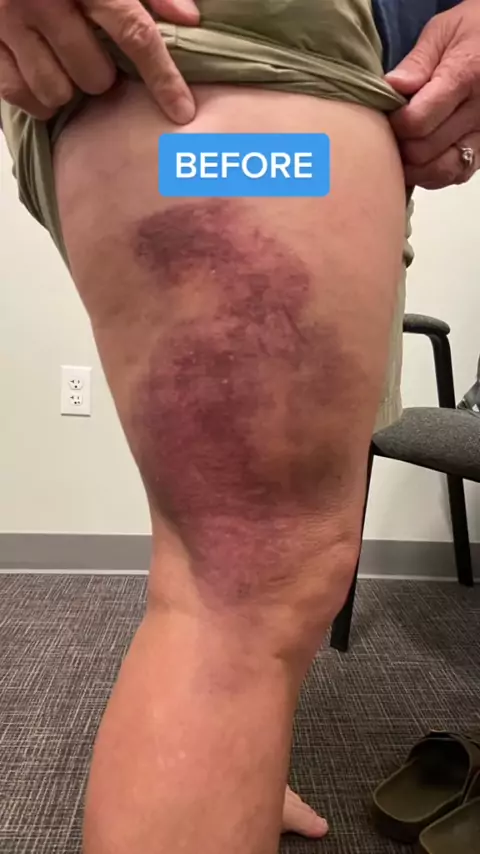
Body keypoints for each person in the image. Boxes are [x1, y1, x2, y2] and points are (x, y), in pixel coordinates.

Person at [0, 1, 478, 852]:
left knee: (266, 569)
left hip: (311, 71)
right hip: (257, 47)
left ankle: (234, 770)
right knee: (247, 576)